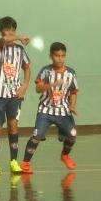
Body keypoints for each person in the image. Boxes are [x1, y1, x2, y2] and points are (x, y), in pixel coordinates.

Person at [21, 42, 79, 174]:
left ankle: (65, 155)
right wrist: (51, 84)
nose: (60, 58)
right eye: (57, 55)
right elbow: (38, 88)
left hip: (64, 111)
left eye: (63, 56)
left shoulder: (71, 73)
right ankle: (25, 163)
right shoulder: (46, 71)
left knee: (73, 135)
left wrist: (72, 105)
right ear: (51, 56)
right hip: (45, 111)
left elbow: (74, 91)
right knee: (37, 135)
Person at [0, 16, 31, 176]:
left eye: (14, 30)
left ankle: (13, 161)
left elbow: (27, 67)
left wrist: (25, 85)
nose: (11, 33)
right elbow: (5, 40)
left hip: (15, 96)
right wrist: (20, 37)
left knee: (13, 126)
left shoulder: (20, 51)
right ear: (1, 32)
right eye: (8, 31)